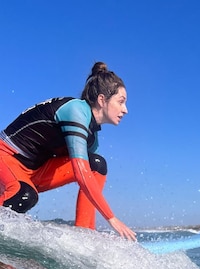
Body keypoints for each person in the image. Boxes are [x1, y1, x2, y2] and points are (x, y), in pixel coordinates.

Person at [0, 62, 136, 241]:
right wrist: (111, 218)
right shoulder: (75, 110)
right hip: (6, 158)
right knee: (24, 196)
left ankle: (85, 234)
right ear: (102, 100)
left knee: (96, 165)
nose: (125, 110)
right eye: (121, 102)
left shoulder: (91, 137)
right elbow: (80, 173)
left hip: (36, 171)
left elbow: (88, 177)